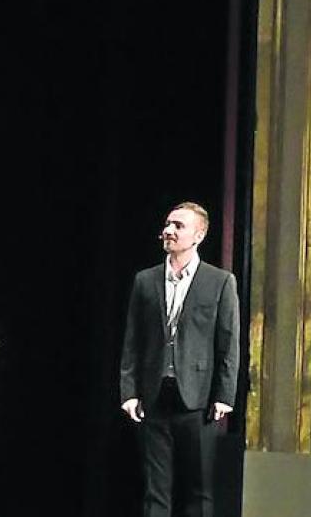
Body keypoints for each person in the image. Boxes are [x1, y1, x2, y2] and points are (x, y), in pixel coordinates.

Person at [119, 201, 240, 517]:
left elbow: (228, 343)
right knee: (154, 490)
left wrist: (224, 395)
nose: (169, 231)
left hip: (197, 399)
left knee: (199, 490)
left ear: (198, 236)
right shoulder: (145, 280)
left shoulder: (219, 281)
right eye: (168, 224)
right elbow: (133, 340)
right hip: (154, 394)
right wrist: (129, 391)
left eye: (178, 226)